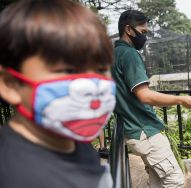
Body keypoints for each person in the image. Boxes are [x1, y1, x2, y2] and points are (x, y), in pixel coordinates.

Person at [0, 0, 116, 187]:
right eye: (69, 70)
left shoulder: (77, 145)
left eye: (102, 69)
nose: (92, 85)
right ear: (10, 85)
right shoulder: (11, 175)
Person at [112, 10, 191, 188]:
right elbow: (144, 95)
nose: (144, 37)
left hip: (132, 130)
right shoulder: (129, 55)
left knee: (157, 182)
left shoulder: (114, 55)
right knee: (174, 181)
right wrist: (181, 100)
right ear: (129, 30)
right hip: (145, 130)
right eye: (143, 32)